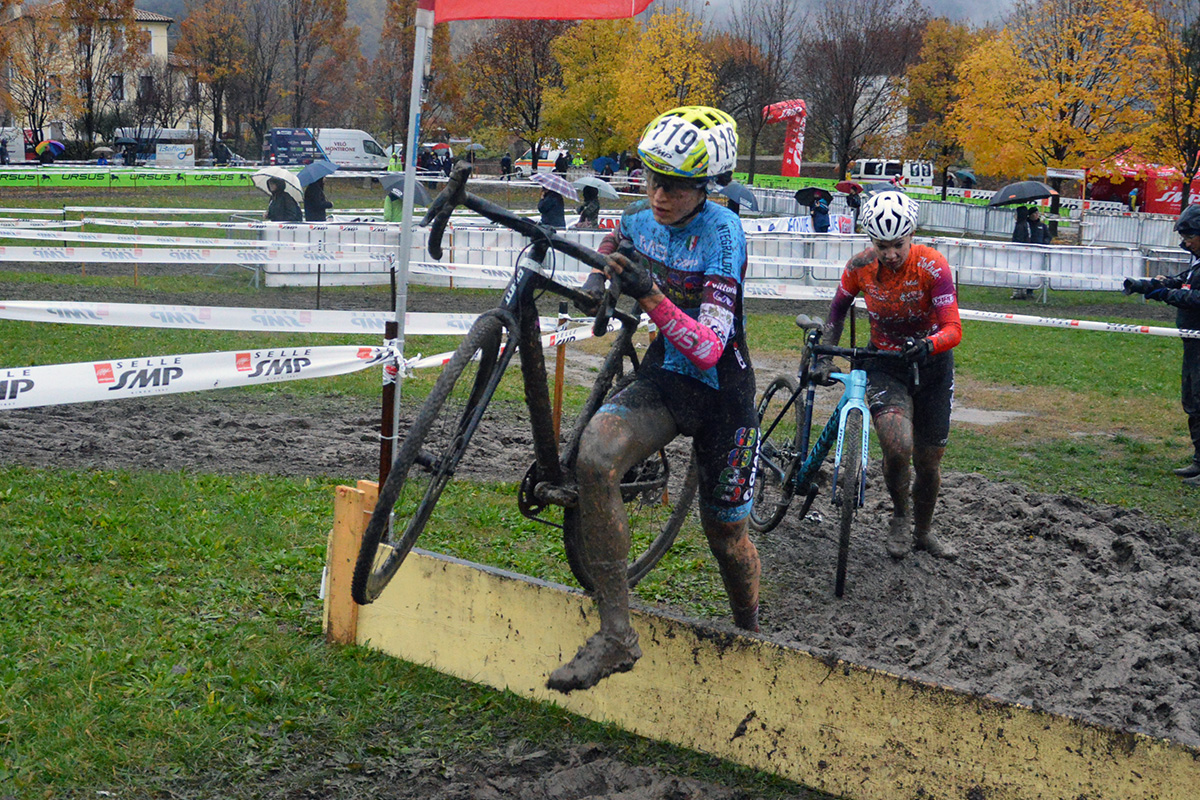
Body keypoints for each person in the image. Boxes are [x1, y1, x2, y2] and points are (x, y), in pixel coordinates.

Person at [547, 105, 759, 693]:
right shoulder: (641, 219)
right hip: (668, 380)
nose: (660, 195)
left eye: (676, 185)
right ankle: (616, 635)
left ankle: (750, 632)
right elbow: (615, 242)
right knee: (595, 457)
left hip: (723, 394)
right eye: (652, 178)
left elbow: (710, 348)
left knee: (727, 540)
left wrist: (652, 296)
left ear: (705, 186)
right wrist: (598, 282)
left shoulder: (724, 236)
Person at [813, 190, 962, 561]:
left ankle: (923, 532)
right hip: (884, 363)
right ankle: (900, 517)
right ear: (871, 241)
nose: (891, 254)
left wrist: (929, 344)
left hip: (931, 365)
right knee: (897, 447)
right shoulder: (860, 266)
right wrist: (826, 353)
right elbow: (837, 309)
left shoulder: (933, 266)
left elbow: (954, 328)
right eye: (882, 245)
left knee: (928, 463)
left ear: (911, 236)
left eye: (898, 245)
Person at [1123, 204, 1200, 485]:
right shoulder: (1197, 262)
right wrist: (1153, 286)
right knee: (1192, 401)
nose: (1186, 242)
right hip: (1193, 343)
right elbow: (1186, 284)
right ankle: (1198, 461)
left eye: (1189, 236)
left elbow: (1197, 298)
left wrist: (1166, 293)